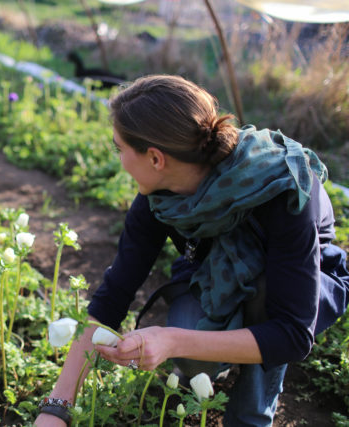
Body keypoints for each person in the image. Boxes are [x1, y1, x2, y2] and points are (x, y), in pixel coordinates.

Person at [35, 74, 349, 426]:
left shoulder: (282, 190)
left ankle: (251, 415)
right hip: (208, 273)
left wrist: (171, 340)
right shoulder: (160, 199)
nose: (119, 160)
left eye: (119, 149)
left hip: (301, 284)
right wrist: (56, 408)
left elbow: (293, 333)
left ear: (155, 158)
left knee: (260, 298)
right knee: (194, 359)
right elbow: (113, 296)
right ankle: (214, 357)